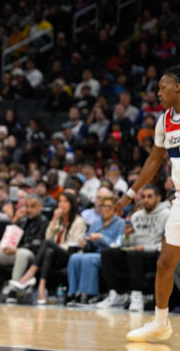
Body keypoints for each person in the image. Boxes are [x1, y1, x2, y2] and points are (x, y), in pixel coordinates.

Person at [119, 65, 180, 342]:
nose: (157, 93)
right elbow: (154, 161)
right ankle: (160, 322)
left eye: (162, 87)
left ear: (177, 87)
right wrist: (130, 195)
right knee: (165, 263)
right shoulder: (164, 121)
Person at [98, 185, 169, 311]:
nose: (145, 200)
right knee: (107, 253)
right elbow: (126, 243)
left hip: (154, 254)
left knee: (134, 254)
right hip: (134, 252)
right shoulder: (136, 216)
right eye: (143, 197)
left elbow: (166, 243)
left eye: (149, 196)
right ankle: (116, 294)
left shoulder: (166, 215)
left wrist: (144, 248)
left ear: (158, 198)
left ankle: (137, 295)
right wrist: (126, 235)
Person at [10, 192, 87, 304]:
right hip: (55, 255)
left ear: (72, 204)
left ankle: (29, 275)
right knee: (49, 251)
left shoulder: (78, 221)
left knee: (49, 246)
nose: (62, 204)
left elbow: (72, 243)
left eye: (65, 201)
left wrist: (56, 247)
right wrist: (54, 220)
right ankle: (42, 288)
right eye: (60, 201)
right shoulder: (59, 219)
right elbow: (48, 237)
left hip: (70, 255)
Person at [0, 194, 48, 298]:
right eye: (27, 206)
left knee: (22, 253)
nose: (29, 209)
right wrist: (15, 219)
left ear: (40, 207)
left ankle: (14, 289)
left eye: (33, 206)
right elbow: (8, 237)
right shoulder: (23, 219)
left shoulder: (43, 222)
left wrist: (16, 250)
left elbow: (36, 246)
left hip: (31, 256)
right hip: (14, 252)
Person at [65, 195, 124, 305]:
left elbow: (118, 244)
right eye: (103, 206)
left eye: (108, 207)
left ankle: (89, 294)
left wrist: (101, 237)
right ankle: (73, 292)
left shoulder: (121, 223)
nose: (105, 209)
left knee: (88, 259)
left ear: (115, 208)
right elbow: (89, 242)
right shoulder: (97, 222)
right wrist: (85, 243)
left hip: (110, 257)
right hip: (94, 252)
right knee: (74, 257)